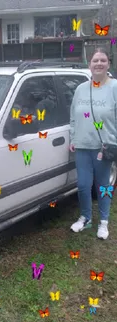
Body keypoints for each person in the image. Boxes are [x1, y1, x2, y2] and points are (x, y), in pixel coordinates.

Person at [69, 47, 117, 240]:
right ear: (89, 65)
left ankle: (104, 222)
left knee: (103, 185)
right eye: (95, 60)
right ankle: (86, 218)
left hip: (104, 147)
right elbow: (73, 115)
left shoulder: (114, 87)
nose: (98, 63)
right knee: (83, 185)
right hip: (82, 146)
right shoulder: (81, 89)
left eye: (102, 60)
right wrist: (73, 137)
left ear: (108, 64)